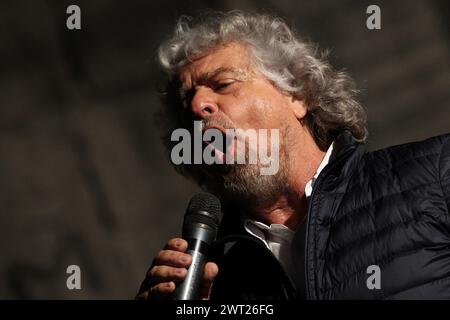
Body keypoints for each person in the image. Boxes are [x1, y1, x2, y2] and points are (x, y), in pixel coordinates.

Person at [136, 10, 450, 300]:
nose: (197, 106)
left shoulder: (437, 173)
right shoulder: (216, 286)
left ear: (297, 94)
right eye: (186, 104)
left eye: (223, 83)